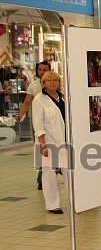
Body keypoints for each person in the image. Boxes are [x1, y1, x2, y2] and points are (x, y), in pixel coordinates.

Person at [32, 71, 67, 214]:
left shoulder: (63, 98)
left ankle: (76, 200)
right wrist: (42, 143)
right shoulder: (39, 99)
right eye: (49, 80)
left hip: (64, 141)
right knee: (49, 173)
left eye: (55, 80)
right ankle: (53, 204)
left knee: (69, 170)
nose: (52, 82)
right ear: (44, 83)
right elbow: (38, 124)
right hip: (48, 141)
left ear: (59, 83)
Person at [16, 61, 52, 190]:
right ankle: (42, 177)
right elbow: (27, 102)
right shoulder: (34, 86)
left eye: (44, 69)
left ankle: (52, 171)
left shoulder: (56, 83)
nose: (42, 72)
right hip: (39, 123)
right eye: (40, 69)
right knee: (41, 148)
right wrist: (20, 114)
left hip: (54, 123)